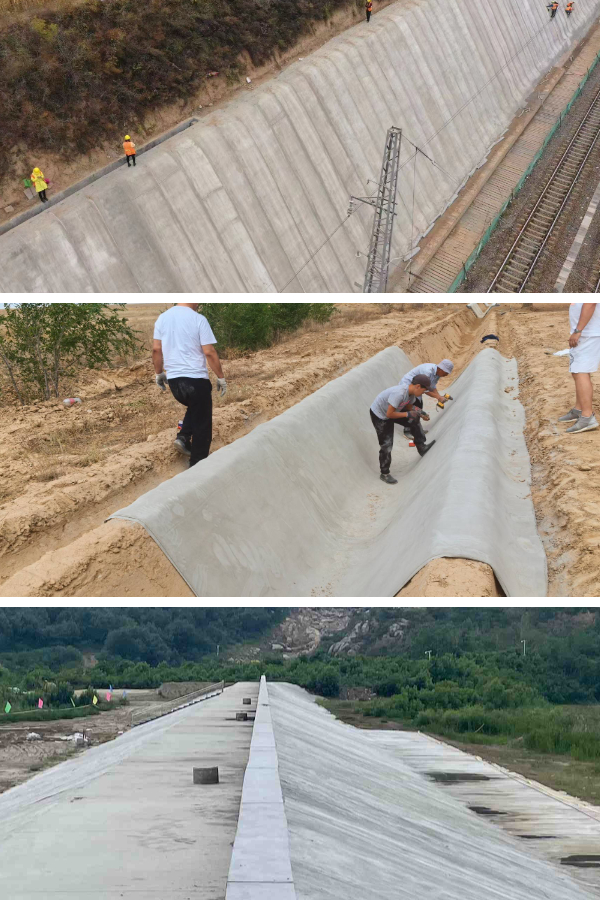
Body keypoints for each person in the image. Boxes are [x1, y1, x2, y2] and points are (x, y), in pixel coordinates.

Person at [152, 303, 227, 466]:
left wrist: (159, 373)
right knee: (203, 425)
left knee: (194, 408)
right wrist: (220, 376)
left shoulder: (162, 318)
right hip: (196, 380)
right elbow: (209, 351)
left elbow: (156, 349)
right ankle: (197, 467)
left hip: (175, 382)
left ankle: (183, 437)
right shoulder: (198, 319)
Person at [370, 375, 436, 485]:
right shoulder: (400, 393)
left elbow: (409, 406)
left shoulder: (411, 394)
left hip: (393, 412)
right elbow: (390, 414)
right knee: (386, 444)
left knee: (414, 419)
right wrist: (408, 414)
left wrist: (421, 412)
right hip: (380, 415)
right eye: (424, 391)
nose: (424, 393)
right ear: (418, 386)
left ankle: (421, 446)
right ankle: (384, 473)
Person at [558, 302, 600, 434]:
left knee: (580, 371)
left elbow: (590, 302)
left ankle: (587, 417)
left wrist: (578, 330)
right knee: (577, 371)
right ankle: (579, 408)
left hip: (587, 333)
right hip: (587, 332)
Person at [398, 359, 454, 435]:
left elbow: (432, 387)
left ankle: (416, 429)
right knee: (412, 407)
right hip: (408, 386)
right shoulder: (427, 371)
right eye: (446, 372)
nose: (446, 375)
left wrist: (439, 397)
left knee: (419, 407)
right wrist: (438, 397)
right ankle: (408, 431)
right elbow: (425, 390)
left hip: (417, 388)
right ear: (441, 369)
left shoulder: (437, 373)